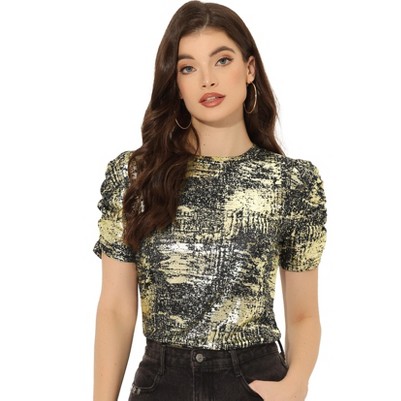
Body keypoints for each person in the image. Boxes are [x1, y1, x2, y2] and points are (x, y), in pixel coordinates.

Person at [93, 1, 327, 400]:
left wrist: (296, 384)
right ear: (175, 83)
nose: (207, 80)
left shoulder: (292, 182)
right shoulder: (135, 176)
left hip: (254, 382)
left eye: (222, 61)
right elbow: (115, 308)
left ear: (249, 68)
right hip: (162, 384)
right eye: (188, 68)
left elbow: (304, 313)